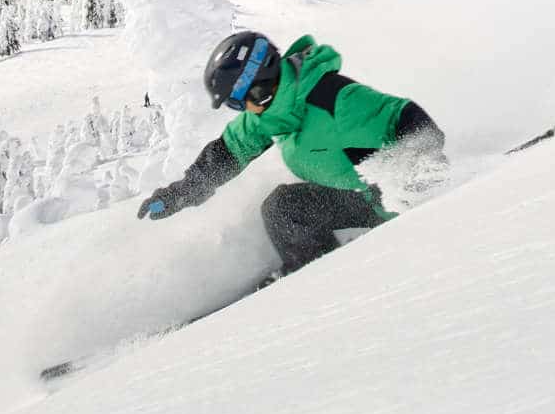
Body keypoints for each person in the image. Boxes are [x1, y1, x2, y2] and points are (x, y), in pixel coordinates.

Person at [136, 31, 446, 278]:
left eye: (237, 101)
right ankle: (311, 275)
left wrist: (414, 176)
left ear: (259, 88)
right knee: (282, 206)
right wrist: (182, 192)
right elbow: (228, 152)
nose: (240, 110)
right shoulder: (270, 115)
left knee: (284, 206)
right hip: (357, 198)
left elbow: (409, 117)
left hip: (393, 206)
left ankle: (327, 282)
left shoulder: (337, 101)